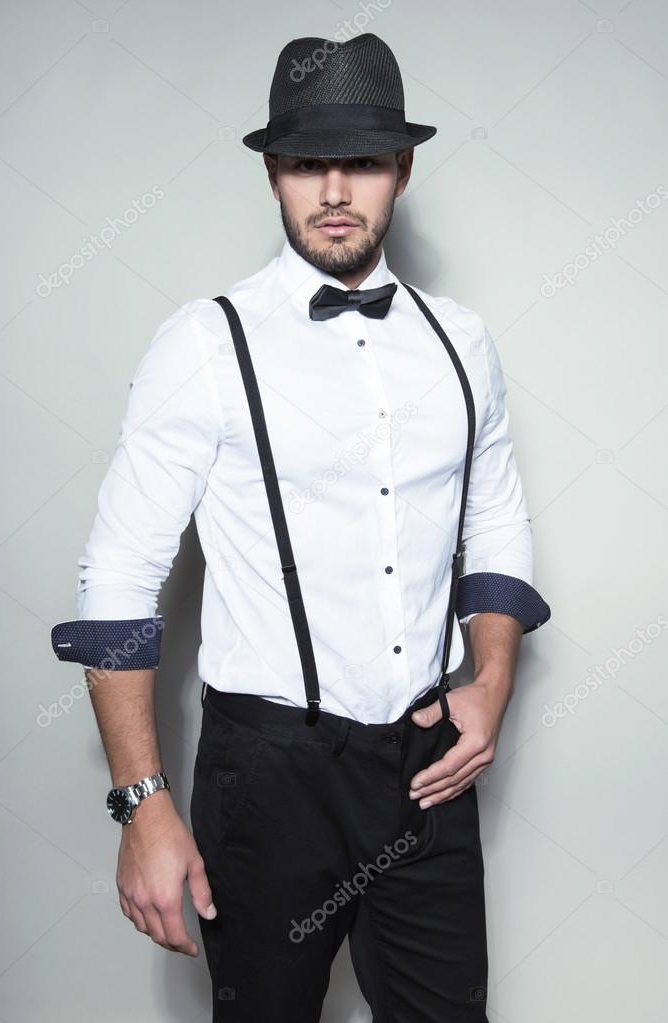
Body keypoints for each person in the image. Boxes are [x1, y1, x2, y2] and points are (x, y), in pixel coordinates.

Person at [51, 32, 550, 1023]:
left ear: (402, 169)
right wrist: (139, 804)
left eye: (361, 161)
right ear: (273, 173)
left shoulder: (462, 342)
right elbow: (116, 578)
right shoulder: (207, 341)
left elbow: (494, 524)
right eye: (306, 163)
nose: (334, 190)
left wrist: (488, 684)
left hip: (424, 765)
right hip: (267, 775)